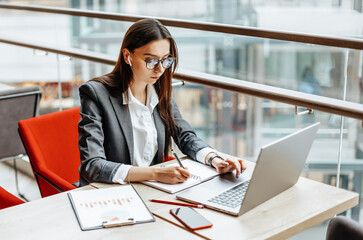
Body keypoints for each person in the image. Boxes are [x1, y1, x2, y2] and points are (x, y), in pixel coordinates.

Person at [77, 19, 245, 187]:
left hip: (149, 189)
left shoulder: (158, 91)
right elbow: (92, 166)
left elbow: (184, 136)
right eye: (151, 61)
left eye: (165, 60)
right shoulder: (96, 94)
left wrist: (215, 160)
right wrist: (155, 173)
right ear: (127, 56)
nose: (160, 69)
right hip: (108, 193)